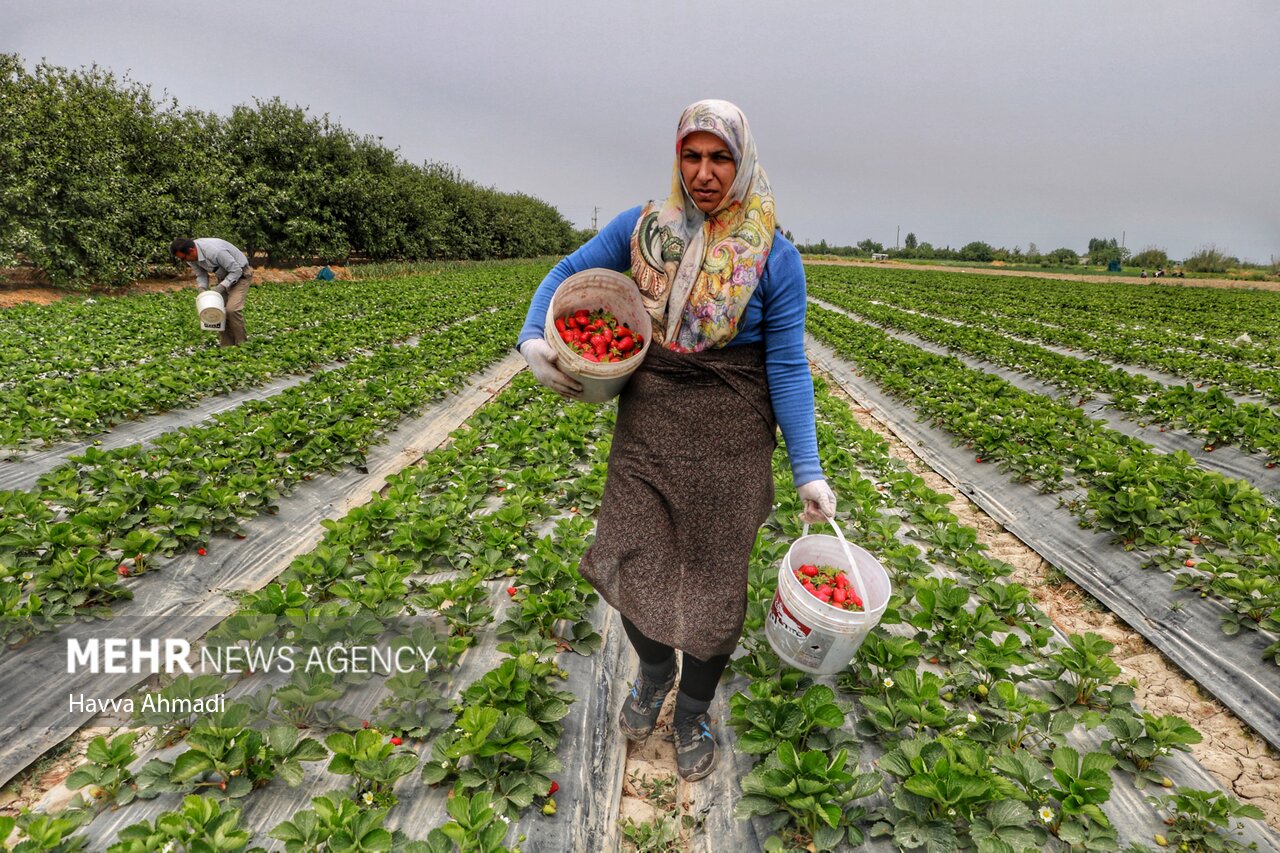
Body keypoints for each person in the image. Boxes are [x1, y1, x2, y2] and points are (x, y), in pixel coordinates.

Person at [516, 99, 836, 781]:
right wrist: (533, 338)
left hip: (733, 429)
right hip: (651, 419)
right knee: (632, 556)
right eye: (691, 156)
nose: (704, 172)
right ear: (677, 159)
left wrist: (808, 468)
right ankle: (655, 671)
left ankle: (692, 710)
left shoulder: (774, 258)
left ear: (742, 161)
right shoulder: (643, 230)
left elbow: (785, 365)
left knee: (716, 585)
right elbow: (563, 274)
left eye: (719, 157)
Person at [171, 237, 253, 346]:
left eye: (183, 258)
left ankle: (242, 345)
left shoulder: (215, 252)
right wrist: (202, 289)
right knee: (219, 309)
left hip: (241, 274)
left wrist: (221, 288)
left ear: (191, 250)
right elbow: (201, 274)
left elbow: (236, 270)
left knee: (231, 310)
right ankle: (227, 346)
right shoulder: (191, 257)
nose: (184, 261)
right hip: (223, 276)